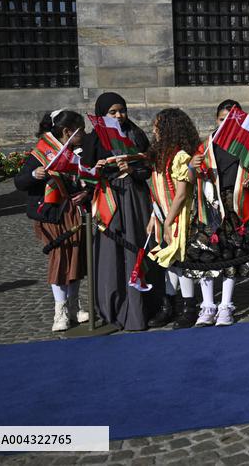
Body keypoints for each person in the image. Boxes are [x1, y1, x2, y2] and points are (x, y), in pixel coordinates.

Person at [80, 93, 155, 331]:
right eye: (112, 112)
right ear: (102, 114)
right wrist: (98, 169)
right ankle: (111, 306)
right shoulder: (94, 138)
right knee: (110, 252)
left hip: (134, 197)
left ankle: (141, 308)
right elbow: (85, 174)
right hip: (108, 198)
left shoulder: (135, 133)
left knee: (137, 246)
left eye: (122, 110)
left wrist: (132, 169)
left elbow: (148, 168)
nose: (119, 115)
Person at [15, 110, 89, 332]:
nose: (84, 134)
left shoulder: (76, 152)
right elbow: (20, 182)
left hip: (72, 212)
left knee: (76, 260)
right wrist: (34, 175)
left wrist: (86, 191)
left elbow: (86, 179)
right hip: (51, 213)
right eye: (80, 131)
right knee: (59, 260)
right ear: (67, 132)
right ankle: (60, 311)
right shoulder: (41, 153)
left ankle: (74, 306)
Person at [190, 100, 249, 327]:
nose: (225, 125)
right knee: (206, 254)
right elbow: (191, 176)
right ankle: (208, 305)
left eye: (231, 121)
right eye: (222, 120)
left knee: (232, 254)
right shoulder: (206, 145)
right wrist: (193, 165)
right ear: (216, 119)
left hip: (234, 205)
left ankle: (226, 305)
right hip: (209, 205)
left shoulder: (246, 146)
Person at [145, 108, 202, 329]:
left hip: (178, 217)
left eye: (157, 126)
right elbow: (158, 190)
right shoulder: (160, 156)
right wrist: (154, 216)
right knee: (169, 262)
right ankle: (169, 305)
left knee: (181, 262)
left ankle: (189, 307)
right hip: (164, 215)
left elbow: (181, 194)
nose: (154, 131)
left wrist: (169, 221)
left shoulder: (180, 157)